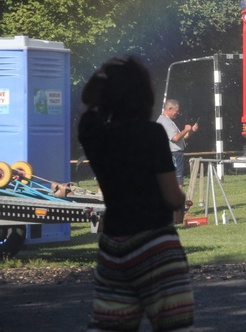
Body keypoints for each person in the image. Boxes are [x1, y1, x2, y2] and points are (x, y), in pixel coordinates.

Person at [78, 56, 194, 331]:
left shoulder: (94, 134)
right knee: (174, 325)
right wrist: (181, 199)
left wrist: (105, 77)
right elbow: (171, 196)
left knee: (111, 325)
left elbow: (87, 105)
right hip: (155, 242)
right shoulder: (151, 133)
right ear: (144, 96)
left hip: (113, 244)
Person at [157, 99, 198, 223]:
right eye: (176, 111)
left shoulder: (169, 121)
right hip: (173, 154)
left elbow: (181, 138)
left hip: (176, 153)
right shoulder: (164, 121)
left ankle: (178, 210)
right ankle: (177, 212)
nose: (177, 114)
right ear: (169, 109)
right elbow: (175, 138)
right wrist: (186, 129)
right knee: (177, 184)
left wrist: (190, 131)